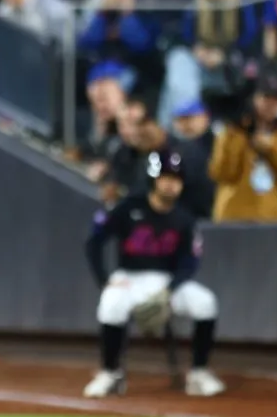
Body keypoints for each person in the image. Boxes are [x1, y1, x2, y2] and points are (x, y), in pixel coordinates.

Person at [83, 148, 226, 398]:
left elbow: (190, 261)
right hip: (129, 276)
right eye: (165, 178)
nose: (171, 185)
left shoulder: (184, 217)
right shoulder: (128, 207)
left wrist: (171, 289)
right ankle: (110, 372)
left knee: (206, 302)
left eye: (176, 179)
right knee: (111, 304)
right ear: (153, 179)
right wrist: (104, 280)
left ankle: (199, 372)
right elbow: (94, 242)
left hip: (167, 281)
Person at [208, 70, 277, 222]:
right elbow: (221, 173)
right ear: (253, 98)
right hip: (233, 218)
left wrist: (270, 149)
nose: (271, 104)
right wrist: (238, 134)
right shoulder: (231, 132)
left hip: (275, 221)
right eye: (266, 97)